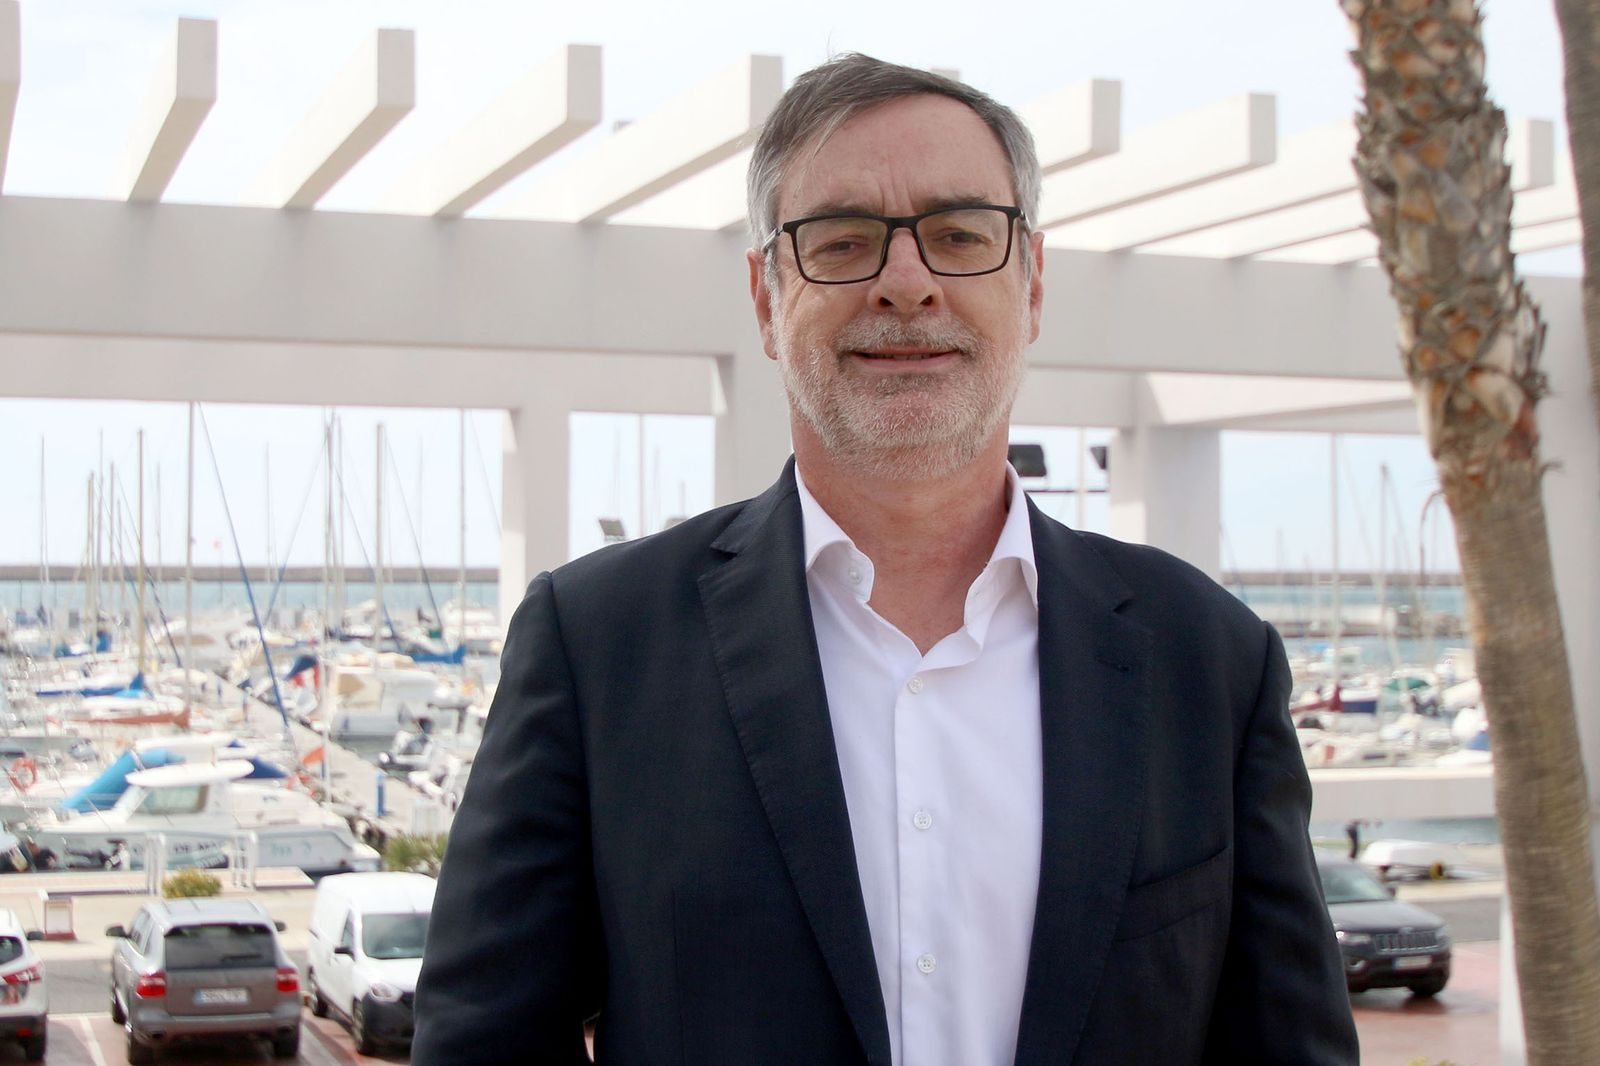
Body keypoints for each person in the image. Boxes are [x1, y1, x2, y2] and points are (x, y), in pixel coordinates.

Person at [414, 54, 1357, 1065]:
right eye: (842, 240)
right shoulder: (596, 646)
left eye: (958, 235)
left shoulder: (1207, 658)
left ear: (1031, 283)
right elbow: (485, 1039)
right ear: (767, 297)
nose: (904, 284)